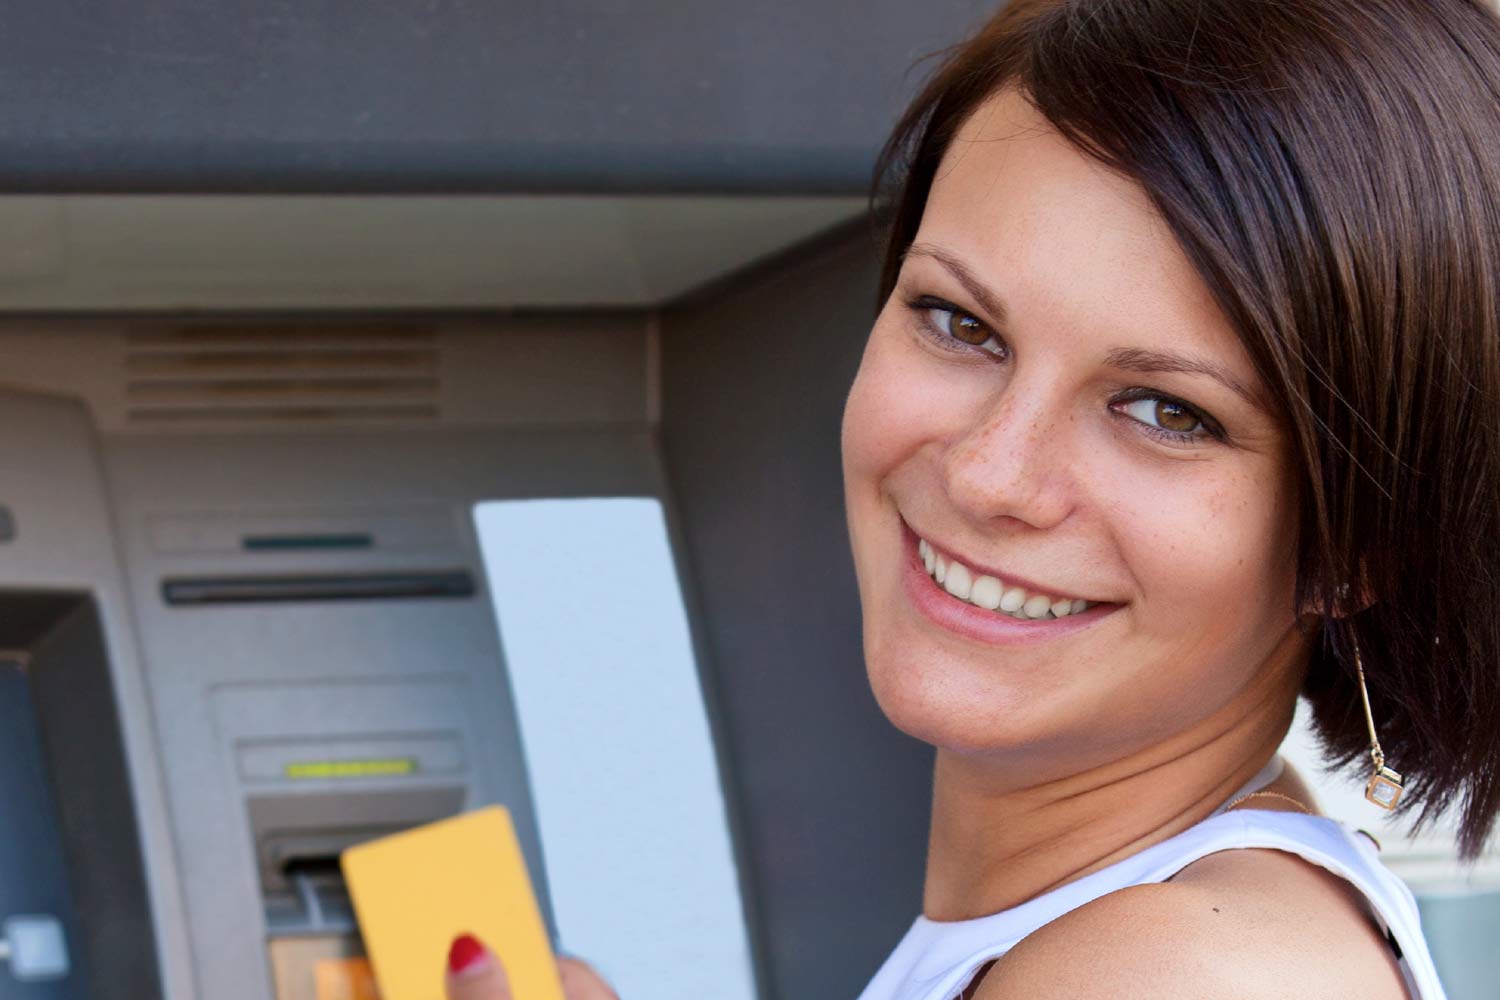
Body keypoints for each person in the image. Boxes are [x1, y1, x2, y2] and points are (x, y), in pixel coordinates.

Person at [442, 0, 1500, 996]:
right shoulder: (1172, 921)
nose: (990, 474)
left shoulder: (1168, 975)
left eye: (1167, 411)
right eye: (960, 324)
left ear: (1361, 546)